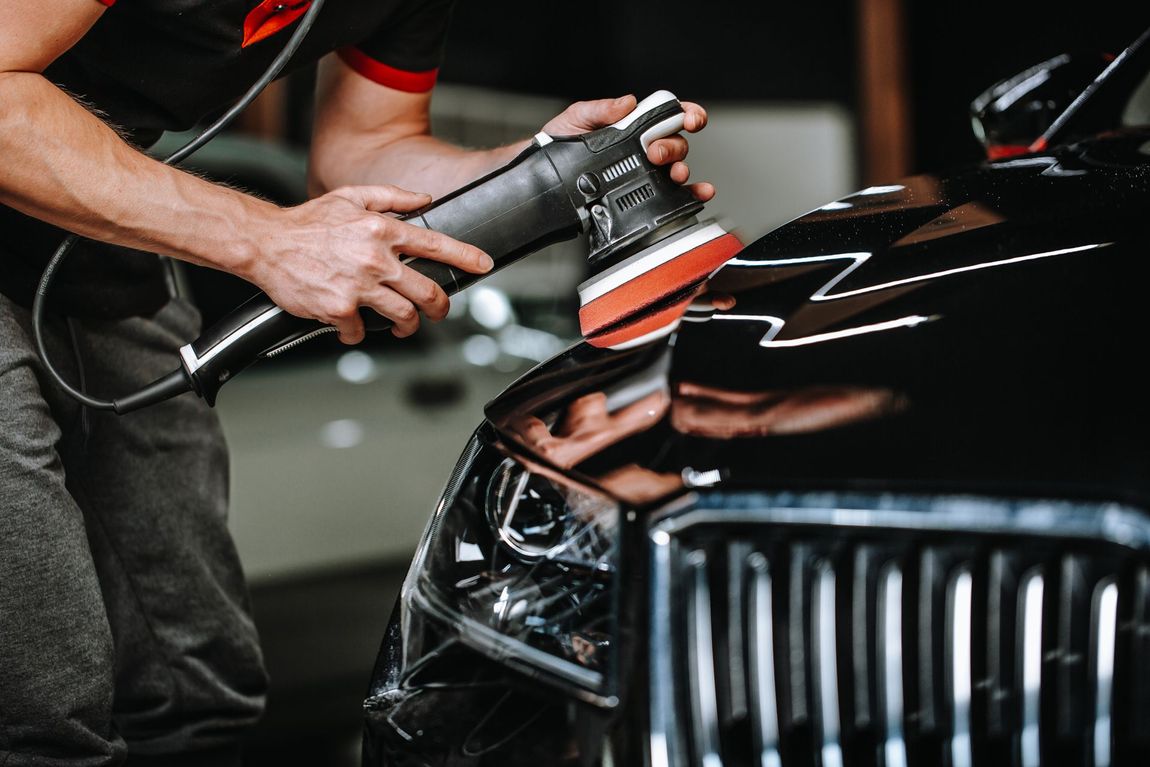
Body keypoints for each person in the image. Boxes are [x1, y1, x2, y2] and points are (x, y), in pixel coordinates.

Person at [0, 0, 713, 765]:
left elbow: (364, 149)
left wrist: (542, 172)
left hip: (82, 247)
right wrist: (266, 239)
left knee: (196, 689)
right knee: (48, 709)